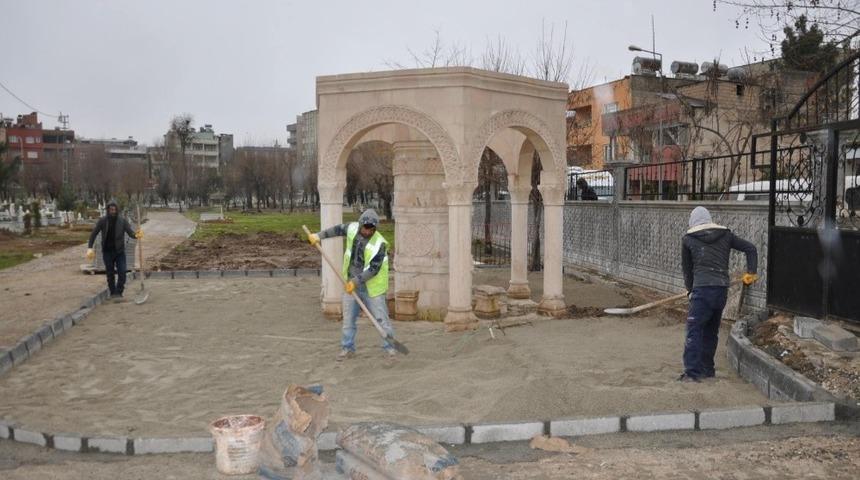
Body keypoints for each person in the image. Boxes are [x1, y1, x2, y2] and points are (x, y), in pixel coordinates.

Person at [679, 206, 758, 382]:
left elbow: (687, 270)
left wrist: (690, 290)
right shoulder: (725, 235)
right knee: (711, 331)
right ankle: (708, 370)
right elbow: (751, 248)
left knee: (694, 331)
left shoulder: (688, 239)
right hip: (721, 290)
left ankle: (692, 373)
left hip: (702, 291)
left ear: (692, 221)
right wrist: (751, 272)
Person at [307, 209, 396, 361]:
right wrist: (318, 236)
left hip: (372, 288)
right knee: (348, 320)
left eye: (372, 229)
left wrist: (355, 282)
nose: (368, 231)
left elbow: (373, 269)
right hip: (350, 284)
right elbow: (337, 230)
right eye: (366, 228)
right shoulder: (352, 228)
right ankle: (347, 348)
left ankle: (390, 348)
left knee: (382, 320)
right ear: (361, 224)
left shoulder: (380, 244)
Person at [87, 200, 142, 301]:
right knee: (110, 273)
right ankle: (113, 292)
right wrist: (90, 248)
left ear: (117, 210)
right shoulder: (103, 221)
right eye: (111, 209)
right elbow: (94, 234)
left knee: (122, 272)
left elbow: (130, 233)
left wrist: (136, 235)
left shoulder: (122, 221)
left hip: (119, 252)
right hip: (107, 252)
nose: (113, 211)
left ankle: (119, 292)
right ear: (108, 210)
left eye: (114, 209)